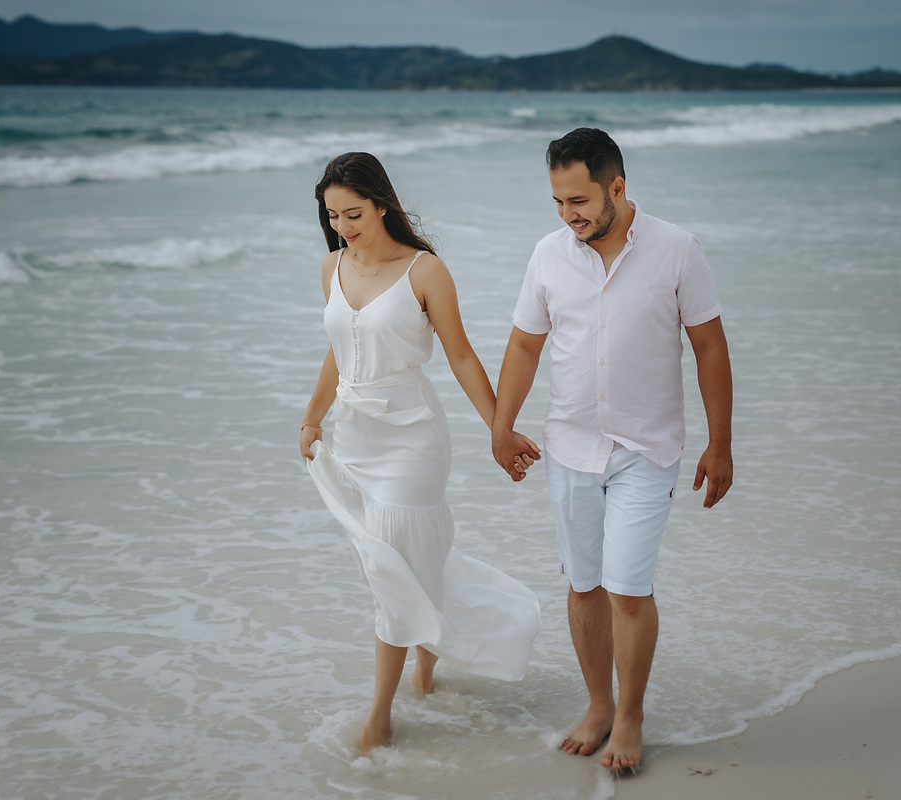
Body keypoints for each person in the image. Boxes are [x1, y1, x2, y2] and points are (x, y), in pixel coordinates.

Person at [491, 128, 733, 772]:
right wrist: (500, 424)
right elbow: (523, 346)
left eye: (579, 202)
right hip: (569, 445)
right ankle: (599, 703)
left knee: (628, 588)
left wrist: (721, 443)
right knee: (584, 583)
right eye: (558, 203)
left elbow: (710, 347)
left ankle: (630, 714)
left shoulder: (677, 251)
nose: (569, 216)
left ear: (616, 188)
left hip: (647, 450)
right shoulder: (548, 255)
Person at [300, 152, 542, 754]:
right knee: (403, 560)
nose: (343, 227)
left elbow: (461, 356)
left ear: (382, 204)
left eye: (352, 213)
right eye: (333, 216)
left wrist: (499, 429)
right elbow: (338, 349)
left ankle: (379, 715)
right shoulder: (331, 267)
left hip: (412, 437)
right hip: (356, 435)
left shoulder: (425, 271)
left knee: (391, 565)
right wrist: (312, 415)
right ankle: (426, 654)